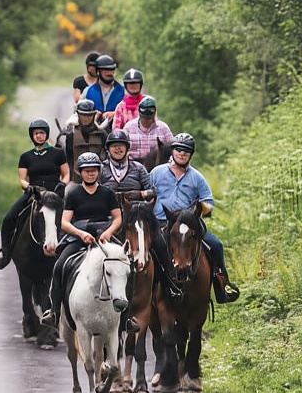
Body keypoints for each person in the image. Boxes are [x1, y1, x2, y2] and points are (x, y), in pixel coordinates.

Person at [148, 132, 240, 303]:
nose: (182, 153)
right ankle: (138, 294)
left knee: (216, 245)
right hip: (161, 221)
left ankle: (222, 286)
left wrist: (195, 212)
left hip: (189, 223)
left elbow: (209, 203)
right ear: (172, 152)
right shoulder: (156, 173)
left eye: (186, 151)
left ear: (191, 154)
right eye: (179, 150)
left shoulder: (197, 177)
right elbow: (147, 195)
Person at [101, 129, 180, 299]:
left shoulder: (139, 168)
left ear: (127, 148)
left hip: (137, 214)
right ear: (108, 149)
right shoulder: (101, 169)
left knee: (159, 241)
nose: (118, 149)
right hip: (110, 217)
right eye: (114, 146)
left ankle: (170, 283)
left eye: (121, 146)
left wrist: (136, 195)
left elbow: (152, 191)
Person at [49, 152, 123, 320]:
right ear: (80, 172)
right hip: (80, 236)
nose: (90, 173)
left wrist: (108, 232)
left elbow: (118, 218)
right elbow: (65, 222)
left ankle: (127, 315)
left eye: (94, 170)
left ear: (99, 171)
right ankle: (54, 311)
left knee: (126, 264)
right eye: (86, 170)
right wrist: (81, 234)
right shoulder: (74, 193)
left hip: (104, 237)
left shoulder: (108, 193)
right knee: (59, 266)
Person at [0, 119, 68, 269]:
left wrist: (62, 185)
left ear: (47, 134)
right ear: (32, 136)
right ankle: (5, 252)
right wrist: (30, 187)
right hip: (34, 193)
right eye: (36, 133)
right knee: (9, 218)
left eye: (42, 133)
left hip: (55, 193)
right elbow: (22, 180)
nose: (39, 136)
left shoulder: (58, 154)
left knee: (73, 215)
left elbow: (66, 174)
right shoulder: (26, 157)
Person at [61, 98, 107, 180]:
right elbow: (66, 159)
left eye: (89, 115)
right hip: (75, 179)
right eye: (83, 115)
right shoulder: (70, 134)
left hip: (98, 178)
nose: (86, 118)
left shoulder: (102, 134)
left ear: (94, 115)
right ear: (77, 115)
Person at [124, 95, 172, 170]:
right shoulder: (129, 127)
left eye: (148, 118)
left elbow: (172, 148)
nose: (146, 120)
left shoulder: (163, 128)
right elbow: (122, 148)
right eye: (144, 117)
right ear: (139, 114)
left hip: (157, 166)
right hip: (132, 166)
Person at [82, 54, 123, 121]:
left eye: (112, 69)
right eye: (106, 70)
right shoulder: (87, 91)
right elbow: (79, 114)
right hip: (93, 129)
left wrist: (115, 114)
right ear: (98, 71)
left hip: (117, 129)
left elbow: (132, 114)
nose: (110, 73)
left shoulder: (123, 91)